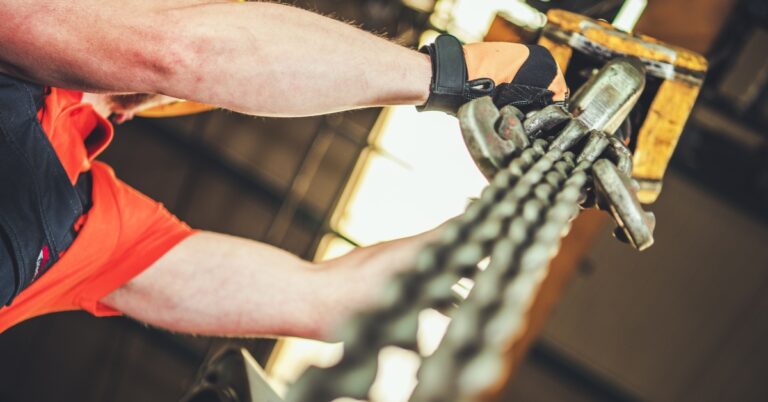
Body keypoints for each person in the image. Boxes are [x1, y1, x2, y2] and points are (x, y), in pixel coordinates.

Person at [0, 0, 567, 340]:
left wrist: (509, 212)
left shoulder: (95, 226)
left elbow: (324, 301)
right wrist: (452, 73)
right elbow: (180, 53)